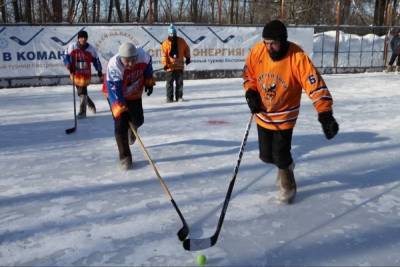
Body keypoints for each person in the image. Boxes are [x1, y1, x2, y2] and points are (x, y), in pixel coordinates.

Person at [243, 20, 339, 204]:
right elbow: (249, 74)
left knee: (280, 154)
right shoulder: (258, 51)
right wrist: (251, 92)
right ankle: (286, 165)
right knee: (266, 156)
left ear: (283, 40)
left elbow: (315, 85)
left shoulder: (297, 57)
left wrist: (325, 114)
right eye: (266, 42)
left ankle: (288, 185)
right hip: (263, 114)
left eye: (273, 43)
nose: (269, 47)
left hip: (285, 115)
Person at [102, 42, 155, 170]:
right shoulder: (114, 66)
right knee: (120, 124)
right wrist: (121, 109)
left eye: (133, 60)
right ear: (121, 58)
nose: (131, 64)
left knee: (138, 120)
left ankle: (133, 129)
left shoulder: (142, 55)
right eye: (127, 61)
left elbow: (148, 65)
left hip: (134, 91)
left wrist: (148, 80)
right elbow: (115, 91)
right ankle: (125, 157)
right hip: (116, 93)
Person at [63, 30, 103, 119]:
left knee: (82, 92)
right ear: (78, 38)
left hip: (85, 75)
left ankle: (82, 112)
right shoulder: (72, 47)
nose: (83, 39)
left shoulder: (91, 49)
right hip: (75, 74)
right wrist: (69, 65)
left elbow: (96, 60)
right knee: (81, 93)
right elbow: (65, 57)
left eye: (85, 37)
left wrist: (99, 70)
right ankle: (90, 104)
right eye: (81, 37)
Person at [161, 24, 191, 102]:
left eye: (174, 34)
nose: (172, 36)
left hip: (179, 66)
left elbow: (186, 49)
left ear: (175, 33)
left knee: (179, 83)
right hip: (170, 67)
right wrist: (165, 64)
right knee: (169, 84)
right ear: (168, 34)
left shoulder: (181, 41)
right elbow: (164, 55)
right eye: (171, 35)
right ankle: (169, 98)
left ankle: (179, 97)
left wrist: (188, 57)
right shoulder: (165, 43)